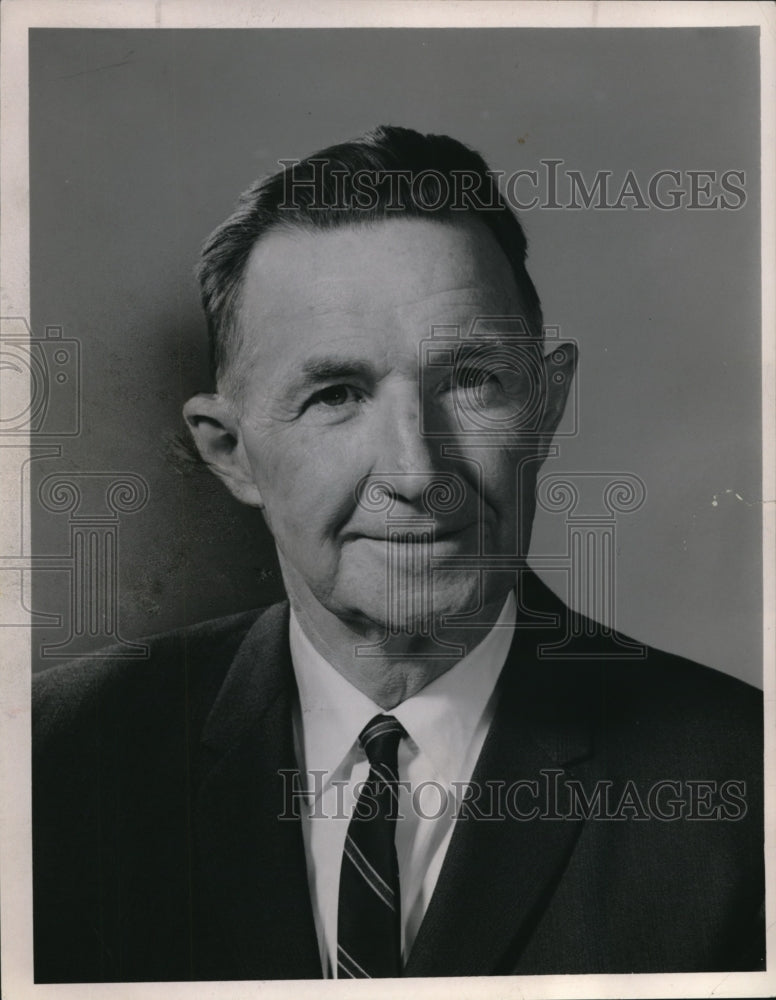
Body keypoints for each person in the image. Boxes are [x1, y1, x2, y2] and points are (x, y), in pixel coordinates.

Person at [32, 126, 764, 982]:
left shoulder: (748, 782)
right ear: (230, 451)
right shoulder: (52, 763)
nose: (419, 473)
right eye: (336, 395)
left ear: (546, 403)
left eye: (472, 381)